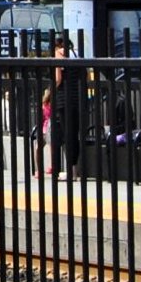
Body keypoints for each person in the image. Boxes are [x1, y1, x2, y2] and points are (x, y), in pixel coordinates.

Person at [43, 42, 85, 181]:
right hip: (76, 97)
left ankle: (70, 172)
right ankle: (74, 170)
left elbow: (58, 78)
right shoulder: (76, 55)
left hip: (63, 99)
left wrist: (49, 91)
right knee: (74, 134)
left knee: (66, 135)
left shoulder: (58, 55)